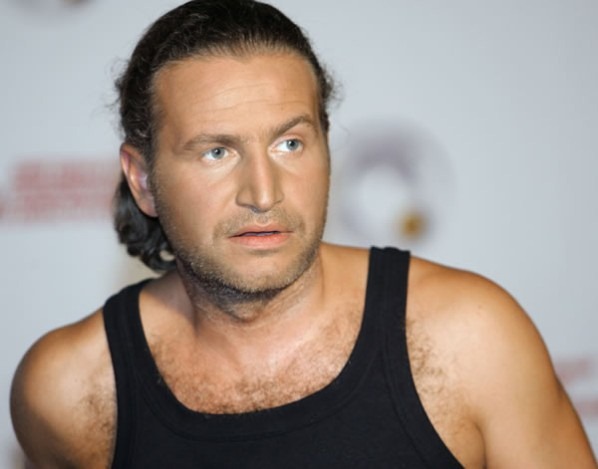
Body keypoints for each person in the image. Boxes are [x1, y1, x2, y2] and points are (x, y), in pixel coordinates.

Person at [10, 0, 597, 467]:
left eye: (290, 143)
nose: (263, 193)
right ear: (142, 179)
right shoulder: (69, 390)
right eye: (216, 152)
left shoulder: (469, 338)